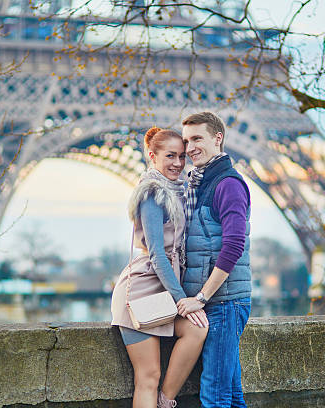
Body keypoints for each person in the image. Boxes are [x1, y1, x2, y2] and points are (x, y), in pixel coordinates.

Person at [111, 127, 209, 408]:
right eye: (170, 156)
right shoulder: (153, 193)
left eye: (181, 156)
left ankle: (166, 401)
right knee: (148, 375)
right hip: (142, 291)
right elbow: (157, 255)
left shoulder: (179, 191)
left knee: (197, 330)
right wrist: (183, 300)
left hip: (165, 288)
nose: (178, 163)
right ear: (152, 156)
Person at [176, 112, 252, 408]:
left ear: (217, 138)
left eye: (197, 138)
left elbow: (234, 244)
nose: (189, 147)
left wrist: (202, 297)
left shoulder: (227, 184)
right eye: (186, 140)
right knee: (230, 395)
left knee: (215, 396)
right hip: (219, 303)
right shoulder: (199, 184)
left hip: (224, 303)